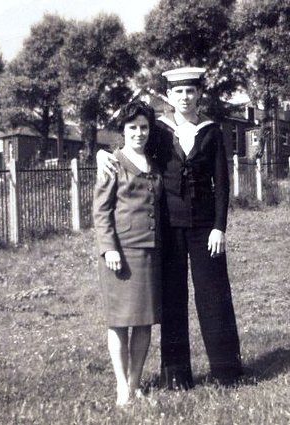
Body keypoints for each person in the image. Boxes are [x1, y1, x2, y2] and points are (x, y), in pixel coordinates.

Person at [97, 67, 243, 390]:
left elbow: (223, 183)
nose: (185, 98)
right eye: (179, 92)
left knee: (214, 295)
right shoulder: (159, 132)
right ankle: (176, 374)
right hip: (169, 227)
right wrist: (99, 154)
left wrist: (220, 226)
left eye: (191, 91)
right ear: (170, 96)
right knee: (173, 298)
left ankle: (226, 370)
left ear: (199, 94)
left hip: (205, 228)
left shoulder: (212, 131)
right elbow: (128, 148)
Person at [93, 100, 162, 406]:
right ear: (123, 130)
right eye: (132, 127)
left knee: (144, 322)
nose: (139, 133)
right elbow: (101, 211)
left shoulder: (155, 162)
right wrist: (109, 249)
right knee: (119, 323)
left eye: (144, 127)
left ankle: (135, 384)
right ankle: (122, 387)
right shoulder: (113, 162)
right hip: (120, 254)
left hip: (149, 254)